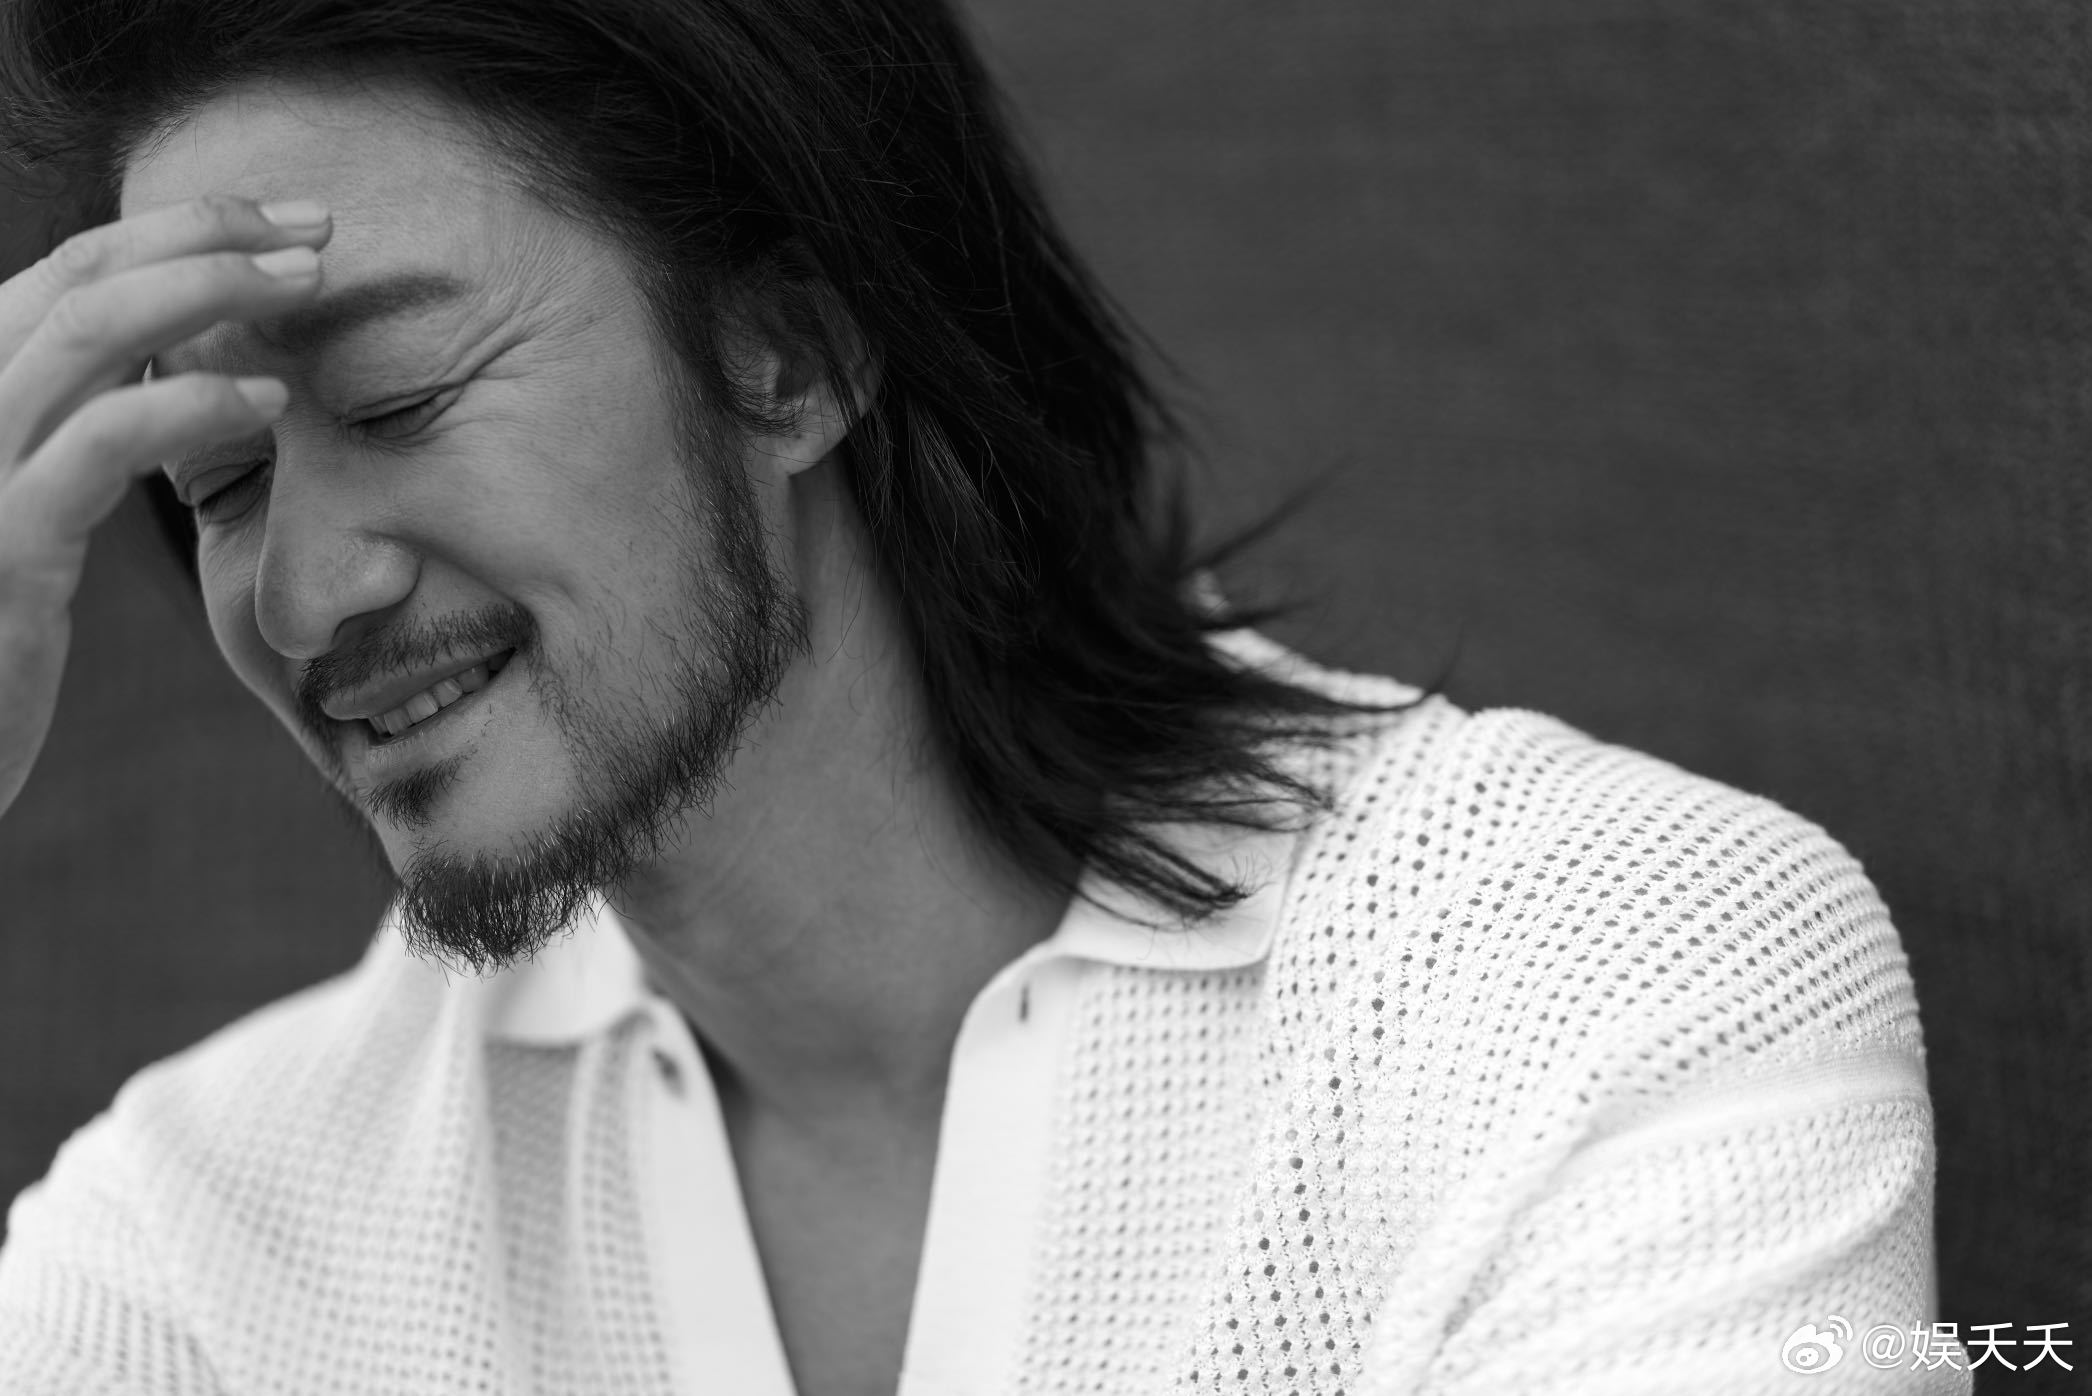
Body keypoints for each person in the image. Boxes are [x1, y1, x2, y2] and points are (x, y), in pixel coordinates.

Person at [0, 0, 1959, 1391]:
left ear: (785, 355)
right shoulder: (205, 1237)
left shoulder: (1603, 989)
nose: (300, 593)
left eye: (399, 397)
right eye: (220, 483)